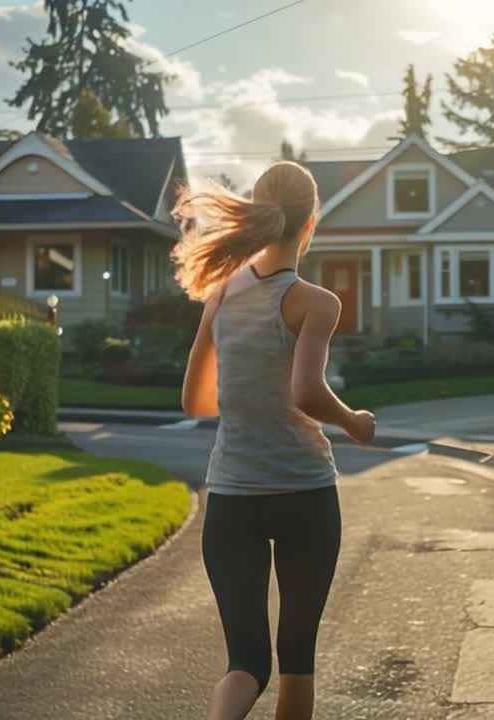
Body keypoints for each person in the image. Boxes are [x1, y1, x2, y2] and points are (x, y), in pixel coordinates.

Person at [173, 161, 377, 720]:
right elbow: (308, 393)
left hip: (233, 498)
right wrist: (353, 422)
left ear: (258, 217)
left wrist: (247, 395)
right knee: (296, 659)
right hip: (304, 496)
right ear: (310, 224)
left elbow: (195, 401)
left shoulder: (221, 295)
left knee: (246, 664)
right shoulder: (316, 303)